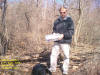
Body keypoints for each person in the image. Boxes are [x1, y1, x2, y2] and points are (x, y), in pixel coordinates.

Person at [49, 6, 74, 75]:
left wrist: (63, 35)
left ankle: (65, 70)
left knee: (66, 56)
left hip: (65, 41)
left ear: (66, 12)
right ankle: (52, 68)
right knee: (53, 55)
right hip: (57, 41)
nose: (62, 13)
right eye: (61, 12)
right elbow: (54, 29)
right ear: (59, 12)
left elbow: (71, 32)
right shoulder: (56, 21)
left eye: (64, 12)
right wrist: (53, 34)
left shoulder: (70, 21)